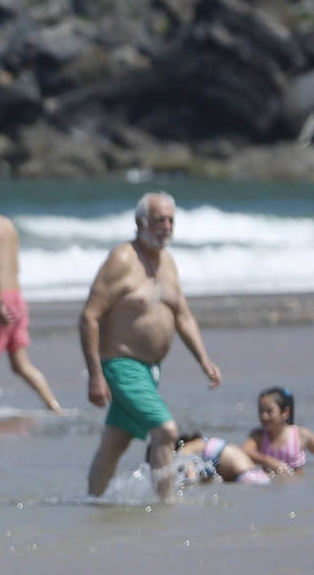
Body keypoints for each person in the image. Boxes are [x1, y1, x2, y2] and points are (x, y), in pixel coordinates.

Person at [79, 191, 222, 500]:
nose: (166, 226)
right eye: (159, 220)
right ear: (140, 221)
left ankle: (92, 503)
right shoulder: (122, 260)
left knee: (115, 442)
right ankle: (165, 504)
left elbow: (183, 316)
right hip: (121, 364)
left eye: (171, 220)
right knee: (166, 432)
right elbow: (89, 317)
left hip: (150, 370)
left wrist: (204, 360)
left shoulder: (168, 263)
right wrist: (95, 375)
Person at [0, 181, 61, 412]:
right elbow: (11, 265)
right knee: (21, 365)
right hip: (16, 297)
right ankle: (54, 406)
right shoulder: (7, 224)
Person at [242, 386, 314, 475]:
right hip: (269, 488)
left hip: (296, 488)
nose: (264, 416)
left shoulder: (300, 435)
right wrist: (270, 461)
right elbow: (244, 452)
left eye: (269, 411)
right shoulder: (258, 436)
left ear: (285, 413)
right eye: (261, 411)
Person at [169, 432, 270, 485]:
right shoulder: (205, 443)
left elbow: (192, 479)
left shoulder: (185, 448)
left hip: (247, 479)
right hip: (259, 475)